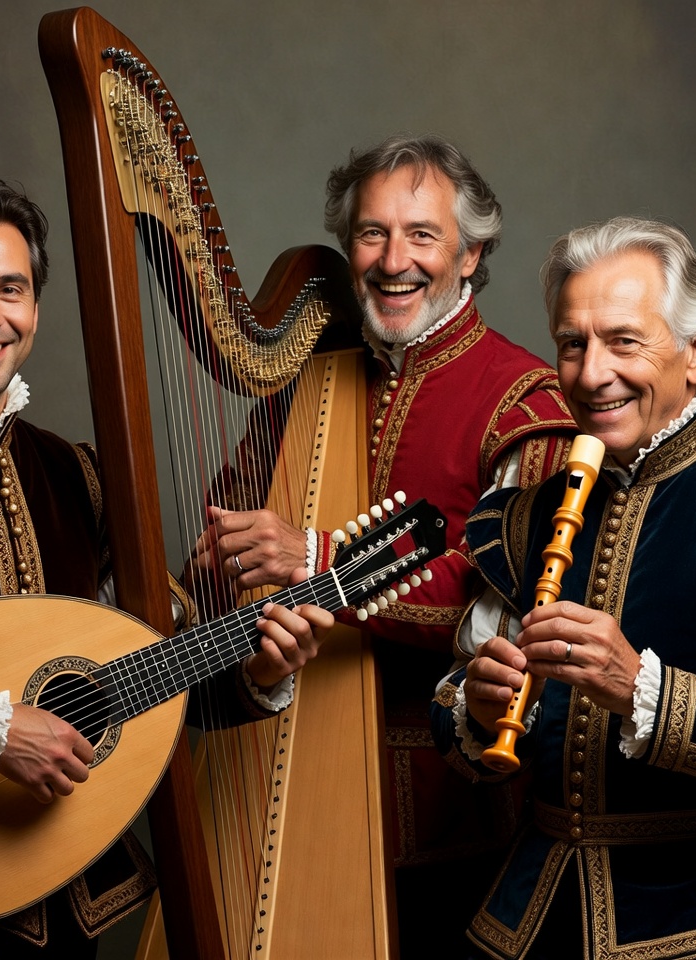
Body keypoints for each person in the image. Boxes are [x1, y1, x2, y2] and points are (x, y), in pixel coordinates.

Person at [0, 176, 333, 958]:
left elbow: (159, 677)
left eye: (10, 288)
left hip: (65, 895)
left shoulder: (81, 474)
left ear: (34, 306)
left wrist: (257, 671)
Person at [190, 134, 577, 952]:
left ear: (470, 256)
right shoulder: (310, 378)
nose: (393, 260)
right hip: (276, 766)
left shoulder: (524, 402)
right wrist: (218, 559)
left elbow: (499, 603)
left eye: (422, 235)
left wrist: (317, 560)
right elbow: (228, 534)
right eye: (372, 233)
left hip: (442, 816)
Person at [432, 216, 696, 959]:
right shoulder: (525, 516)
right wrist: (477, 706)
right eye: (572, 343)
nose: (590, 376)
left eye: (623, 341)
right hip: (528, 913)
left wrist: (644, 688)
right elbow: (453, 724)